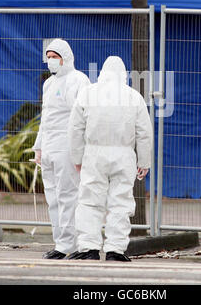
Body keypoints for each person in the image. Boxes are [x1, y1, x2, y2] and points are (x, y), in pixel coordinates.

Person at [66, 56, 153, 262]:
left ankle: (89, 248)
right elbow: (144, 133)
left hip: (94, 155)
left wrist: (77, 157)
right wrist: (144, 162)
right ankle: (115, 250)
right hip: (124, 156)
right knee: (120, 203)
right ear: (124, 74)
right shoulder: (134, 97)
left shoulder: (88, 94)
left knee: (89, 201)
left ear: (102, 72)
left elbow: (75, 129)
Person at [33, 39, 90, 259]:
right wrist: (38, 148)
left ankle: (72, 244)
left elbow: (82, 118)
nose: (50, 61)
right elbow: (46, 118)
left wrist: (79, 150)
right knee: (53, 197)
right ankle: (61, 242)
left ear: (65, 57)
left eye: (54, 57)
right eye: (48, 57)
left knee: (69, 196)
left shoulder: (78, 80)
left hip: (67, 149)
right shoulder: (49, 84)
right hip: (49, 149)